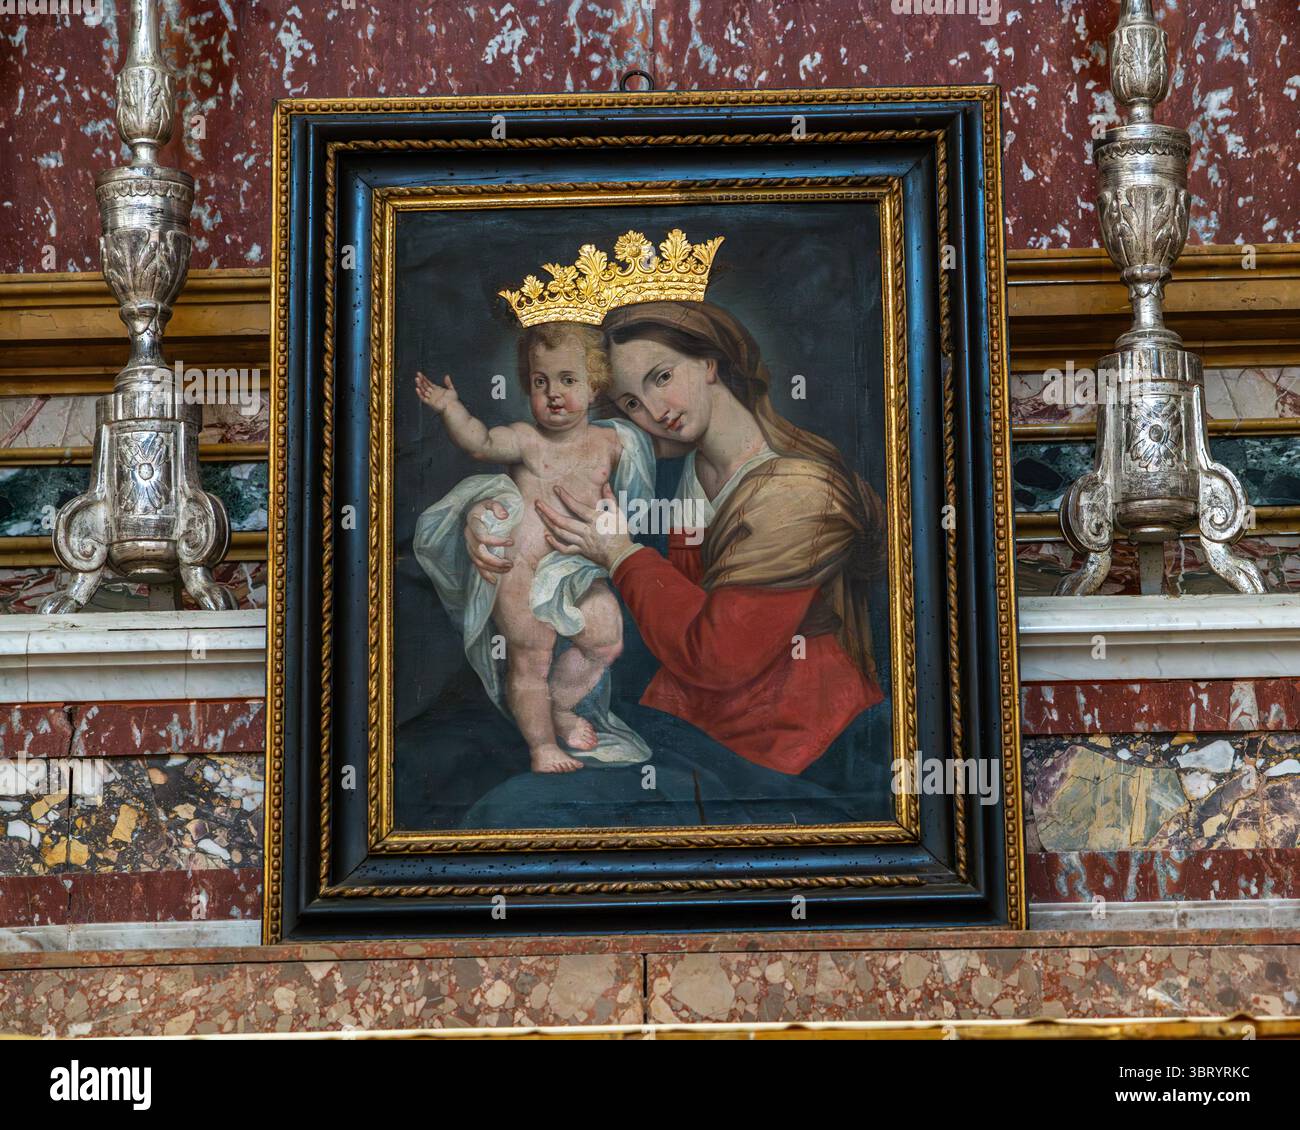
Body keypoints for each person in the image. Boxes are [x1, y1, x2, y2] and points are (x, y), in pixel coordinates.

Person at [473, 299, 886, 777]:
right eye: (630, 401)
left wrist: (621, 553)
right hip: (681, 722)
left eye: (662, 377)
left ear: (709, 362)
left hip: (789, 742)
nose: (653, 411)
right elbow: (549, 482)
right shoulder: (656, 471)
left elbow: (718, 657)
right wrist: (488, 516)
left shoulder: (800, 492)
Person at [415, 322, 632, 773]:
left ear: (595, 386)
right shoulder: (525, 438)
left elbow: (633, 497)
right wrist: (451, 408)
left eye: (568, 380)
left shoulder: (613, 443)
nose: (553, 393)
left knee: (606, 639)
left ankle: (562, 707)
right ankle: (542, 746)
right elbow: (481, 443)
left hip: (578, 568)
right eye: (540, 382)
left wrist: (615, 523)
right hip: (521, 569)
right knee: (530, 658)